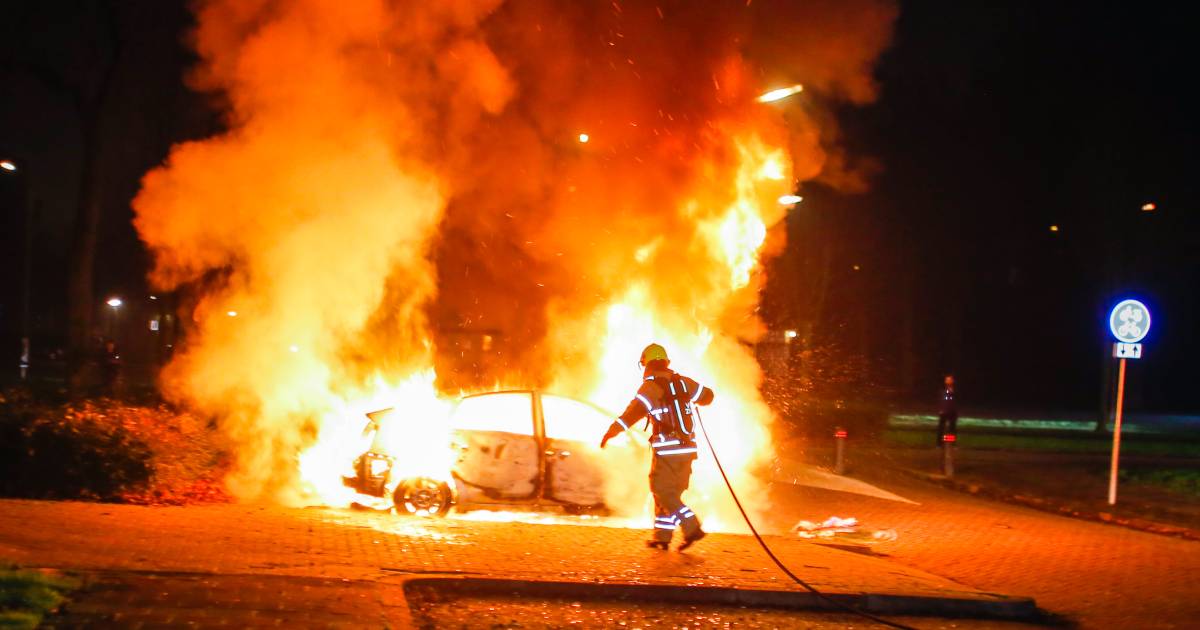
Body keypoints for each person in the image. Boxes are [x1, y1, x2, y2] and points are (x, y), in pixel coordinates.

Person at [600, 343, 715, 551]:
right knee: (669, 494)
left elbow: (634, 412)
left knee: (661, 491)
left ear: (646, 364)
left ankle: (692, 527)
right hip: (688, 450)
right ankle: (662, 537)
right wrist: (690, 399)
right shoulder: (683, 382)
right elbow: (708, 396)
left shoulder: (651, 386)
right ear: (666, 362)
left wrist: (613, 430)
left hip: (668, 449)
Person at [936, 374, 957, 446]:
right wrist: (940, 409)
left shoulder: (954, 389)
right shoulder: (943, 389)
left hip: (952, 411)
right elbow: (942, 398)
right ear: (945, 381)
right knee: (941, 429)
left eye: (950, 380)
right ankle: (939, 444)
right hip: (944, 411)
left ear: (953, 381)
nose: (949, 381)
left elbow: (954, 398)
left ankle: (950, 443)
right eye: (947, 380)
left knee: (952, 429)